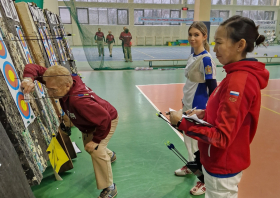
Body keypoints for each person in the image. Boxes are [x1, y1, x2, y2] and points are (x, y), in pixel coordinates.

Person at [171, 15, 269, 198]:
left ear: (239, 45)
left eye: (219, 43)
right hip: (216, 161)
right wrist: (204, 113)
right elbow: (224, 113)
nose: (214, 49)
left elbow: (223, 137)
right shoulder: (233, 76)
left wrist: (183, 124)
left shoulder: (239, 82)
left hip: (222, 166)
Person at [21, 64, 119, 198]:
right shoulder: (59, 79)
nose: (49, 94)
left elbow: (104, 120)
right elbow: (33, 67)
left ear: (67, 86)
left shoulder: (79, 101)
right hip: (90, 122)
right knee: (89, 147)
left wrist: (96, 141)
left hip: (105, 122)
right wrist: (28, 79)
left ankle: (110, 187)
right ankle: (110, 155)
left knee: (96, 150)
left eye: (53, 90)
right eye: (48, 89)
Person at [169, 21, 217, 196]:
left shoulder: (206, 59)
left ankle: (204, 181)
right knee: (188, 141)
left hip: (199, 108)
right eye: (190, 34)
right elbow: (190, 84)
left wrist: (208, 112)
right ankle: (191, 166)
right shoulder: (192, 56)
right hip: (187, 105)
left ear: (205, 36)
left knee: (199, 146)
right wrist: (183, 103)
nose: (192, 38)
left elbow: (213, 88)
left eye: (196, 34)